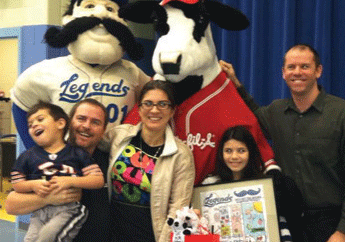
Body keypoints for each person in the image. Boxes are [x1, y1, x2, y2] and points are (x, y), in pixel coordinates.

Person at [221, 44, 345, 242]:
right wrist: (234, 84)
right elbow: (251, 117)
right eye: (291, 67)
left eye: (305, 66)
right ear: (283, 73)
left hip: (329, 225)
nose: (297, 72)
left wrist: (343, 231)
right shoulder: (276, 112)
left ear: (318, 71)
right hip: (287, 222)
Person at [10, 0, 150, 149]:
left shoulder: (132, 72)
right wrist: (37, 150)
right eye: (89, 6)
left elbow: (155, 102)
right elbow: (20, 105)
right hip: (66, 159)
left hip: (116, 159)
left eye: (109, 9)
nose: (99, 15)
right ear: (70, 19)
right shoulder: (45, 70)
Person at [5, 98, 111, 242]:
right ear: (69, 121)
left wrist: (71, 180)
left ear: (104, 130)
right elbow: (11, 205)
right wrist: (49, 198)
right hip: (47, 223)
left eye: (95, 122)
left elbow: (99, 181)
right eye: (81, 119)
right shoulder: (39, 157)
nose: (86, 126)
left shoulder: (110, 161)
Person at [105, 80, 195, 242]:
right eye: (148, 103)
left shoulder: (181, 154)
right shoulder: (119, 136)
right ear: (139, 109)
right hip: (111, 235)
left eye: (162, 104)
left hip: (150, 236)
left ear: (172, 111)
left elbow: (178, 209)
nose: (154, 110)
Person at [202, 125, 303, 242]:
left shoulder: (270, 185)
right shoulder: (209, 185)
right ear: (221, 153)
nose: (234, 156)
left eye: (241, 150)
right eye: (228, 151)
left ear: (251, 152)